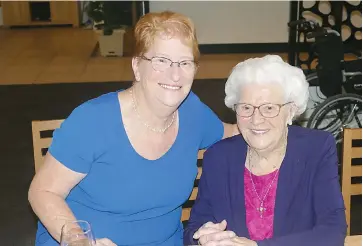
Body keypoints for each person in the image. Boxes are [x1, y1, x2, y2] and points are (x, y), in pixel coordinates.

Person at [28, 11, 238, 246]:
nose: (175, 74)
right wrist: (81, 241)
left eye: (185, 63)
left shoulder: (193, 112)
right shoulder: (93, 120)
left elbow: (235, 133)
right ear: (137, 66)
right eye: (161, 61)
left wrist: (272, 109)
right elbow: (43, 191)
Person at [184, 55, 347, 246]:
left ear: (291, 111)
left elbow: (332, 231)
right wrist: (204, 237)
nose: (256, 119)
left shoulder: (317, 149)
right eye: (246, 108)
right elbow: (194, 229)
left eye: (269, 108)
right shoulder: (218, 157)